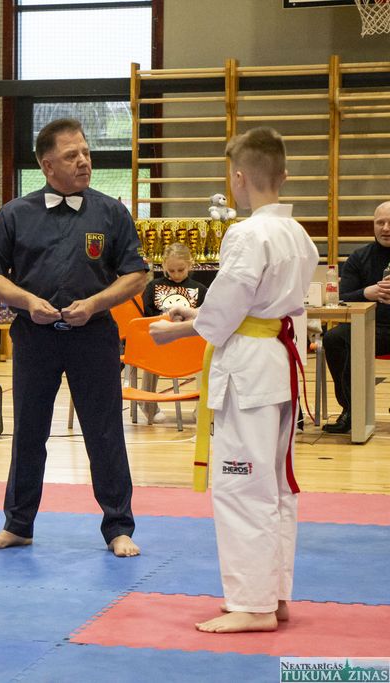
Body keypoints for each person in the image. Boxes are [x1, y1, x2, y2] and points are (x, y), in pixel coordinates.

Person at [150, 127, 319, 633]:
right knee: (275, 485)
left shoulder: (246, 234)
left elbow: (227, 310)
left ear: (238, 178)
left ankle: (253, 605)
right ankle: (274, 595)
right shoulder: (298, 234)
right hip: (278, 366)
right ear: (284, 175)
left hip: (248, 373)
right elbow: (259, 305)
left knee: (242, 485)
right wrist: (196, 316)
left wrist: (178, 330)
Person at [0, 118, 147, 557]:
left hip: (95, 336)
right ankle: (18, 524)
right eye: (72, 156)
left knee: (105, 433)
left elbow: (137, 275)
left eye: (86, 152)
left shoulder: (111, 212)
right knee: (29, 433)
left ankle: (119, 528)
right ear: (48, 166)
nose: (84, 161)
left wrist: (95, 303)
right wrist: (28, 301)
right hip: (35, 336)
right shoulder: (16, 214)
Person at [319, 201, 390, 434]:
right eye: (380, 223)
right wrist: (367, 293)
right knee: (334, 338)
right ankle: (351, 409)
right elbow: (342, 297)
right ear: (373, 225)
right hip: (370, 328)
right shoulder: (359, 257)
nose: (386, 228)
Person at [140, 242, 209, 422]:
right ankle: (149, 407)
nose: (176, 275)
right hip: (160, 344)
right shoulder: (153, 287)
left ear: (190, 265)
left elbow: (205, 320)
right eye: (171, 271)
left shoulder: (200, 289)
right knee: (148, 355)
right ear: (163, 266)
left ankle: (203, 408)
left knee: (207, 357)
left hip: (190, 346)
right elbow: (146, 317)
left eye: (181, 270)